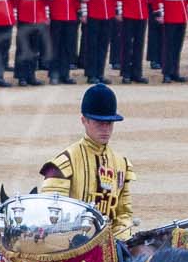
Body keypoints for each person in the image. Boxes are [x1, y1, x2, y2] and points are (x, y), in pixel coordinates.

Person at [37, 83, 134, 235]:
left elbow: (123, 215)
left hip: (112, 245)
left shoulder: (122, 164)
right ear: (84, 120)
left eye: (109, 123)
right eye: (98, 122)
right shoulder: (63, 163)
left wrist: (120, 239)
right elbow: (51, 214)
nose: (105, 129)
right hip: (72, 246)